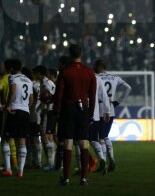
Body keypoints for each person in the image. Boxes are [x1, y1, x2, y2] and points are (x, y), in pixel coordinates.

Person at [54, 44, 97, 186]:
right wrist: (90, 113)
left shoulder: (65, 72)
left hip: (68, 108)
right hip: (83, 109)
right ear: (81, 54)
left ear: (70, 54)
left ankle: (66, 178)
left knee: (68, 142)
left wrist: (56, 111)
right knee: (84, 143)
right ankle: (84, 178)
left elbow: (59, 95)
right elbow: (93, 95)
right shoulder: (89, 72)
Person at [96, 59, 131, 172]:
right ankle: (111, 158)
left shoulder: (96, 77)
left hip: (99, 109)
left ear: (99, 67)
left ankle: (104, 162)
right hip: (111, 109)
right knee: (105, 135)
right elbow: (128, 88)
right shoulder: (115, 78)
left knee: (100, 137)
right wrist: (118, 101)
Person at [1, 59, 34, 177]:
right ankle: (20, 171)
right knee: (22, 141)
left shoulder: (12, 78)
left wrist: (8, 105)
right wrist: (26, 108)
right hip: (25, 112)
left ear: (11, 69)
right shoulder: (29, 80)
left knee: (5, 139)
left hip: (14, 110)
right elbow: (31, 100)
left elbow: (13, 90)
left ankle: (8, 169)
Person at [89, 60, 112, 174]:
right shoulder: (97, 78)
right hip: (96, 114)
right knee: (95, 139)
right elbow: (104, 95)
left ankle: (87, 164)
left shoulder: (83, 77)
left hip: (82, 113)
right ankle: (102, 159)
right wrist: (107, 111)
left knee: (79, 141)